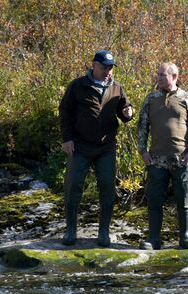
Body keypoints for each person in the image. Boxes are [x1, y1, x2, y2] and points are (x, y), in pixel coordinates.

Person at [58, 50, 133, 247]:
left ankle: (104, 233)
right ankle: (71, 230)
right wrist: (67, 139)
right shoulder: (78, 85)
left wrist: (128, 112)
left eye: (110, 67)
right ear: (93, 65)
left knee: (107, 188)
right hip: (80, 145)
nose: (107, 71)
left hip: (106, 147)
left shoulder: (117, 87)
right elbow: (64, 111)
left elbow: (125, 112)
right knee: (73, 186)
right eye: (103, 67)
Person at [137, 62, 188, 250]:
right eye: (157, 74)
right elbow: (142, 127)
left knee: (184, 198)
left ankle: (185, 238)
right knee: (155, 199)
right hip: (156, 160)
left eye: (162, 75)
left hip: (181, 159)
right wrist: (143, 152)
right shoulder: (151, 99)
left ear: (174, 76)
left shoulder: (187, 98)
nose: (158, 78)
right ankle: (154, 239)